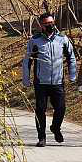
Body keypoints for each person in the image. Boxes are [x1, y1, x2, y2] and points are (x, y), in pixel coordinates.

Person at [22, 13, 77, 147]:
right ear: (41, 25)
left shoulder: (62, 39)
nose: (50, 25)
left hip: (58, 82)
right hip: (41, 82)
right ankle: (42, 137)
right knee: (40, 109)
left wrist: (72, 75)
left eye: (51, 22)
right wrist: (26, 79)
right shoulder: (34, 41)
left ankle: (55, 127)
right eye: (46, 23)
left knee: (61, 108)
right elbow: (27, 61)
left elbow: (71, 57)